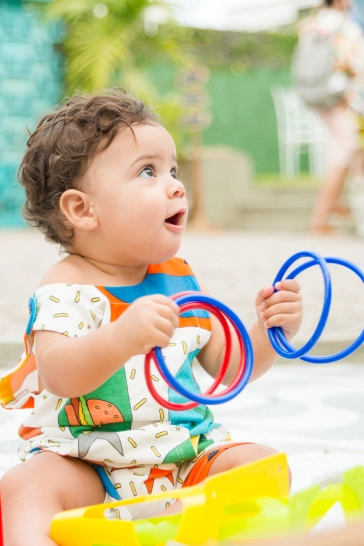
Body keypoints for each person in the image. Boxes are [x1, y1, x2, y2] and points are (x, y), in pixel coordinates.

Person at [0, 91, 302, 546]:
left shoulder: (178, 278)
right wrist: (121, 338)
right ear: (83, 210)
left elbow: (230, 368)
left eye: (173, 170)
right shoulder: (63, 288)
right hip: (87, 467)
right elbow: (59, 374)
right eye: (148, 171)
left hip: (182, 460)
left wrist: (270, 331)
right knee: (25, 487)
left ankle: (229, 533)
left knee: (261, 464)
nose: (176, 185)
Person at [297, 0, 364, 234]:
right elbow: (354, 62)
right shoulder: (345, 25)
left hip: (318, 94)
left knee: (347, 146)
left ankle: (337, 204)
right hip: (339, 96)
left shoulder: (312, 23)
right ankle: (319, 218)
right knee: (347, 144)